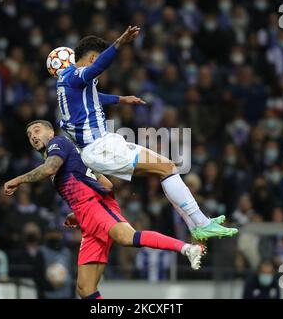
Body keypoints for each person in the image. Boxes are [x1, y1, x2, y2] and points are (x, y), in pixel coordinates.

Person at [56, 26, 238, 241]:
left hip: (100, 146)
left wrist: (121, 99)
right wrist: (119, 43)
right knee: (168, 167)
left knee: (165, 169)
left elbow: (93, 97)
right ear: (93, 57)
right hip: (101, 147)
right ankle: (200, 224)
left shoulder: (66, 80)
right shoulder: (78, 75)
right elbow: (97, 69)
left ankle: (198, 224)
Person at [4, 120, 208, 299]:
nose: (33, 136)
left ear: (51, 133)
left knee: (126, 238)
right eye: (29, 135)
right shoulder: (70, 154)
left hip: (95, 206)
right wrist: (79, 212)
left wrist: (18, 180)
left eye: (37, 130)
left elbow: (50, 168)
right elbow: (107, 184)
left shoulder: (59, 144)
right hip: (88, 215)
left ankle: (188, 249)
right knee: (85, 288)